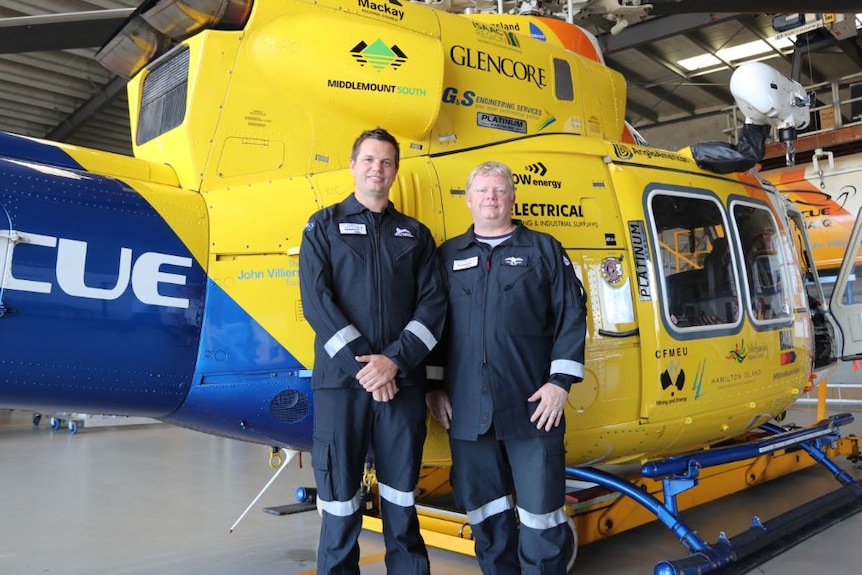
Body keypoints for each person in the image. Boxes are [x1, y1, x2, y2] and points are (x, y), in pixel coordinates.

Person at [426, 161, 587, 575]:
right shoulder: (448, 256)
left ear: (513, 197)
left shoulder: (544, 250)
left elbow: (572, 315)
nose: (491, 198)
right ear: (468, 200)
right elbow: (433, 324)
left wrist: (560, 383)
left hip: (534, 407)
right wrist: (433, 387)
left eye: (499, 190)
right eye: (482, 191)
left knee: (541, 516)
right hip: (466, 409)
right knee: (485, 513)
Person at [299, 127, 446, 575]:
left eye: (385, 162)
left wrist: (394, 362)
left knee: (401, 495)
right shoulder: (321, 226)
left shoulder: (416, 236)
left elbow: (434, 306)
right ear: (352, 165)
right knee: (339, 499)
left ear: (395, 171)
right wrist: (367, 366)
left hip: (401, 383)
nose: (377, 169)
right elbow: (316, 302)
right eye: (368, 160)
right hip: (341, 385)